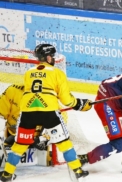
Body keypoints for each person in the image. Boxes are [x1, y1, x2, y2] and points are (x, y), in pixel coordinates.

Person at [0, 44, 92, 182]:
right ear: (48, 57)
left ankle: (7, 174)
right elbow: (67, 100)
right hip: (48, 110)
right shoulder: (57, 73)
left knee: (19, 145)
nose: (54, 59)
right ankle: (77, 171)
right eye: (53, 56)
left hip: (27, 111)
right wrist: (80, 104)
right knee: (64, 143)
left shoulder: (28, 72)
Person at [0, 84, 47, 151]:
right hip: (11, 137)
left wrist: (43, 138)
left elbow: (59, 123)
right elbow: (1, 115)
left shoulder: (51, 97)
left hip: (39, 140)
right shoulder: (13, 91)